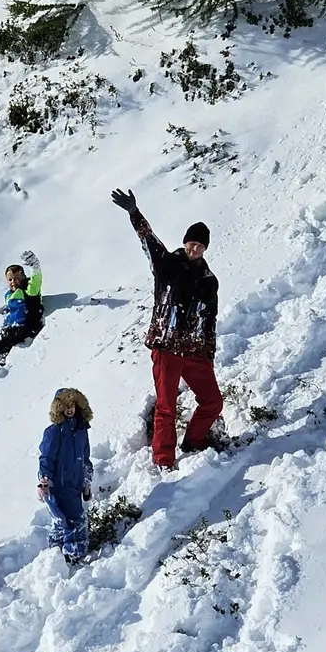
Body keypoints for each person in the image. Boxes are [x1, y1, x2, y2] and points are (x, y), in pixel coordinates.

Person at [109, 190, 222, 468]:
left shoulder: (209, 280)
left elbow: (210, 320)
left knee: (212, 402)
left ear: (205, 249)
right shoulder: (167, 264)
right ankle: (163, 459)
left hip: (195, 352)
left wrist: (209, 354)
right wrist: (134, 213)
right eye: (191, 243)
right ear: (185, 243)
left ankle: (194, 441)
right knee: (166, 407)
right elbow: (148, 240)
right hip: (167, 347)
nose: (194, 248)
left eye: (200, 246)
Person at [39, 387, 94, 562]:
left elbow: (85, 457)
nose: (69, 409)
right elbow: (46, 457)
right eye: (65, 405)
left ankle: (56, 556)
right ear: (59, 408)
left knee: (64, 521)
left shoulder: (81, 431)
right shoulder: (54, 432)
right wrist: (44, 481)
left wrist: (86, 480)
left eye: (72, 405)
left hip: (75, 484)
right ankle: (72, 556)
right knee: (74, 520)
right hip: (59, 485)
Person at [0, 261, 44, 356]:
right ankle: (0, 356)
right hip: (14, 327)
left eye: (17, 278)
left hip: (28, 326)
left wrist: (34, 266)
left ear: (23, 277)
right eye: (10, 279)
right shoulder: (9, 295)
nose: (13, 282)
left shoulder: (29, 290)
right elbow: (12, 309)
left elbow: (36, 280)